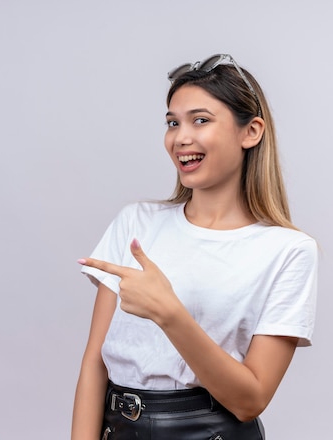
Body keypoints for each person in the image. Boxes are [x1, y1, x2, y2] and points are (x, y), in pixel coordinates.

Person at [71, 54, 318, 440]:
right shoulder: (135, 223)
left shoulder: (288, 250)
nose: (180, 137)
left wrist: (170, 313)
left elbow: (250, 400)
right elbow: (94, 364)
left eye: (200, 120)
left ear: (250, 132)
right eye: (173, 122)